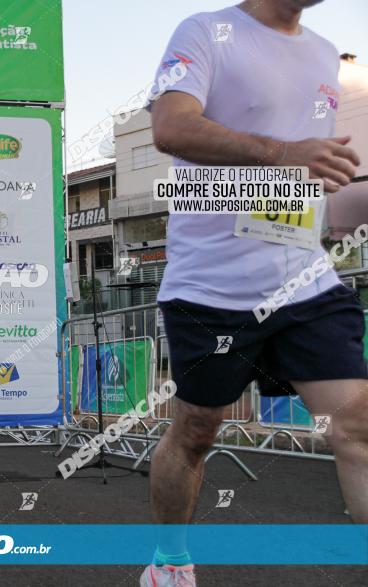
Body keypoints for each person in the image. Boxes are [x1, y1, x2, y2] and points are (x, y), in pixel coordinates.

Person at [143, 2, 367, 585]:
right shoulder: (206, 32)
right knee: (196, 430)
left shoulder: (324, 53)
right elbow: (170, 128)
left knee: (358, 423)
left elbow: (312, 174)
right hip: (211, 285)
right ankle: (169, 563)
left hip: (303, 278)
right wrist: (284, 152)